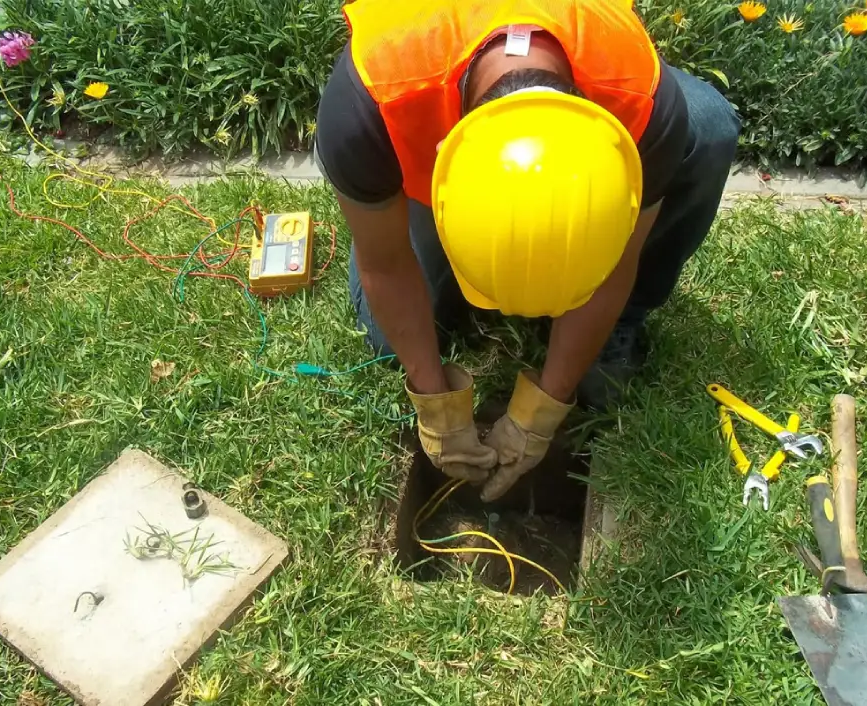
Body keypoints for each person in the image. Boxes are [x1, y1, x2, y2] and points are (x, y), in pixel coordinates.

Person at [314, 0, 741, 502]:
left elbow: (616, 264)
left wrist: (544, 408)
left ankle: (618, 326)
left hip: (602, 96)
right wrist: (434, 401)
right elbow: (385, 266)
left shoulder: (643, 109)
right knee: (389, 340)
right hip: (413, 130)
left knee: (708, 125)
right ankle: (399, 212)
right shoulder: (369, 98)